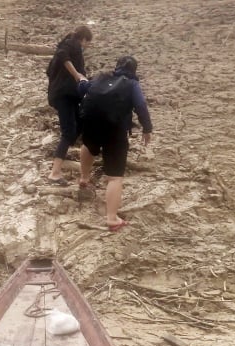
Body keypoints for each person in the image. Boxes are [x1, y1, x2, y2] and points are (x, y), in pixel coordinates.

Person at [78, 55, 153, 232]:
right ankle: (112, 219)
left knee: (88, 146)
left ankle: (84, 179)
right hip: (115, 130)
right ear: (134, 70)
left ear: (116, 66)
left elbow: (83, 89)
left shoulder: (102, 76)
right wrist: (147, 128)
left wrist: (81, 80)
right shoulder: (132, 84)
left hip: (91, 122)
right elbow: (141, 105)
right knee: (115, 177)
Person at [46, 25, 93, 186]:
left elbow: (49, 71)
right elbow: (63, 55)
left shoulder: (69, 45)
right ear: (84, 39)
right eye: (88, 43)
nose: (87, 47)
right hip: (64, 95)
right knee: (68, 132)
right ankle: (55, 172)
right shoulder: (72, 45)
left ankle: (62, 156)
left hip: (65, 95)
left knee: (78, 124)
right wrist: (76, 75)